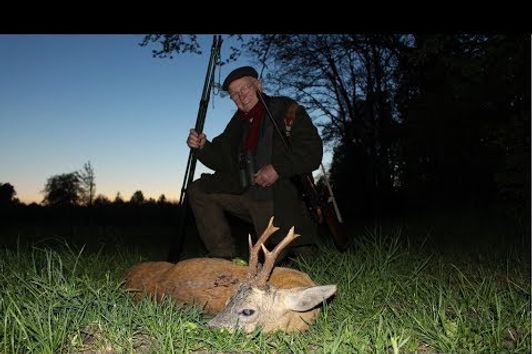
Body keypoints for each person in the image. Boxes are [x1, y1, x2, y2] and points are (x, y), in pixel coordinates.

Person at [186, 65, 323, 261]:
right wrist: (202, 146)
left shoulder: (286, 109)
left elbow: (312, 151)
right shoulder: (238, 122)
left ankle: (301, 248)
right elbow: (222, 158)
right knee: (198, 190)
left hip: (280, 200)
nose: (240, 97)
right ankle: (221, 254)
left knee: (281, 262)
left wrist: (277, 168)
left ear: (258, 84)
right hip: (246, 195)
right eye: (234, 95)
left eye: (245, 89)